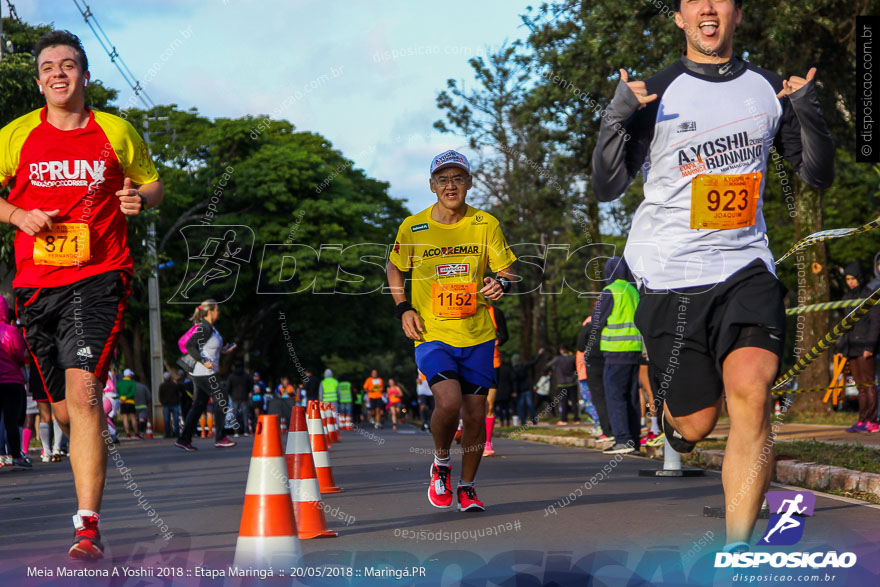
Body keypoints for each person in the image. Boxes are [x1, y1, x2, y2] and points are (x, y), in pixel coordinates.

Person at [591, 0, 834, 551]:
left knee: (752, 391)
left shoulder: (772, 90)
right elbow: (607, 186)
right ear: (679, 17)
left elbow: (817, 175)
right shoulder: (652, 93)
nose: (707, 7)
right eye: (694, 0)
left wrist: (808, 110)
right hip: (669, 275)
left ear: (737, 14)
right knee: (696, 426)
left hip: (746, 265)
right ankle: (673, 423)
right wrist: (616, 115)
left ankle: (737, 550)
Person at [1, 30, 165, 559]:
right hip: (34, 284)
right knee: (64, 412)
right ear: (38, 80)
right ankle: (90, 412)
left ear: (84, 75)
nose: (58, 74)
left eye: (68, 65)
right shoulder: (15, 135)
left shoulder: (115, 131)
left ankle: (87, 525)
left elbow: (153, 183)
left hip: (99, 276)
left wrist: (141, 198)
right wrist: (17, 214)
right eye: (48, 66)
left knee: (82, 396)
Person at [387, 149, 516, 512]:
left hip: (477, 334)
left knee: (475, 415)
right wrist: (403, 308)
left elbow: (508, 272)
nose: (450, 185)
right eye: (443, 179)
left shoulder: (485, 224)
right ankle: (441, 463)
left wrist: (501, 286)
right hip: (432, 333)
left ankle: (468, 486)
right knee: (448, 401)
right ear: (432, 186)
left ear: (469, 183)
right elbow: (394, 266)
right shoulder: (413, 227)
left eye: (458, 178)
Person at [595, 257, 642, 455]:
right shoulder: (633, 291)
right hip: (635, 349)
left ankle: (623, 439)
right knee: (632, 397)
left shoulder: (611, 291)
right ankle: (634, 440)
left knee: (615, 396)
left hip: (616, 351)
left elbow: (597, 321)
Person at [175, 300, 237, 450]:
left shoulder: (211, 328)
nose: (219, 313)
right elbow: (190, 345)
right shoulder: (204, 327)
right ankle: (220, 437)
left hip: (203, 373)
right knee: (221, 398)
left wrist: (223, 351)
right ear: (210, 312)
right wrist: (203, 361)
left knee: (198, 405)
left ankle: (184, 439)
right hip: (204, 373)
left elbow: (207, 347)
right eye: (217, 310)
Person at [836, 262, 880, 433]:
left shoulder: (870, 295)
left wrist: (869, 346)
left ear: (859, 277)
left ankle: (872, 421)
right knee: (860, 386)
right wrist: (841, 348)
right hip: (852, 348)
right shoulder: (846, 298)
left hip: (865, 348)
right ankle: (862, 420)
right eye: (847, 279)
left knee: (869, 385)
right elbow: (845, 326)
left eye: (853, 278)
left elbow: (876, 324)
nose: (850, 282)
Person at [0, 296, 30, 469]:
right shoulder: (11, 331)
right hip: (12, 380)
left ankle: (1, 456)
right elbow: (20, 355)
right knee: (12, 420)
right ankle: (16, 457)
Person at [483, 305, 508, 456]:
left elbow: (505, 335)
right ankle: (461, 426)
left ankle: (487, 443)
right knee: (469, 402)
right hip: (469, 361)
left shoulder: (495, 312)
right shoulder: (463, 309)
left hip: (492, 362)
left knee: (489, 404)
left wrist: (497, 341)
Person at [575, 316, 601, 430]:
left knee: (590, 400)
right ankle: (599, 423)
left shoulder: (586, 343)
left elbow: (580, 349)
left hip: (586, 374)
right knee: (595, 399)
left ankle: (599, 423)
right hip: (587, 372)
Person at [547, 345, 579, 426]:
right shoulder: (572, 358)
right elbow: (577, 367)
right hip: (572, 382)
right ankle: (576, 419)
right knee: (574, 401)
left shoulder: (557, 359)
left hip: (562, 384)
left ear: (561, 351)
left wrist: (552, 370)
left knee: (563, 402)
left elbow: (548, 365)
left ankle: (564, 419)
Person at [226, 362, 250, 437]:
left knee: (235, 415)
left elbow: (228, 387)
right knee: (245, 414)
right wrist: (247, 391)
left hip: (234, 397)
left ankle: (236, 432)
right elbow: (251, 384)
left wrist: (231, 394)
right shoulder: (246, 375)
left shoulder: (231, 376)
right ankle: (246, 431)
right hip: (244, 396)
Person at [116, 370, 139, 440]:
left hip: (122, 402)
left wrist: (122, 397)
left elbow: (118, 392)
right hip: (130, 401)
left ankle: (128, 434)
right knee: (133, 418)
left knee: (125, 418)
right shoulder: (132, 383)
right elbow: (133, 392)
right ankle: (136, 433)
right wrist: (127, 397)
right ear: (129, 375)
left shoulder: (119, 383)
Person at [158, 372, 181, 439]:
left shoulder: (162, 385)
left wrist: (162, 402)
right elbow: (178, 394)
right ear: (170, 378)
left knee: (166, 420)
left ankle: (167, 433)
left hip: (166, 405)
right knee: (176, 420)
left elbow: (160, 395)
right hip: (175, 404)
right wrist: (177, 401)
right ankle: (177, 433)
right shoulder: (174, 385)